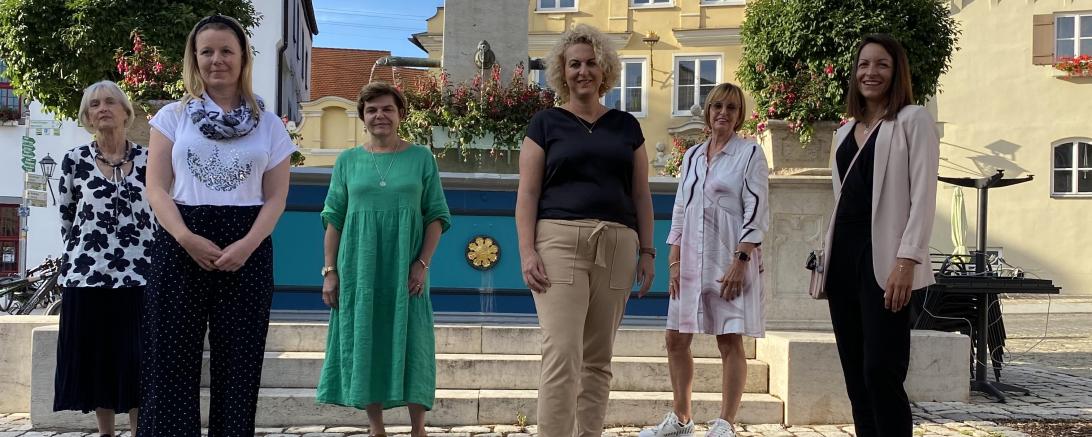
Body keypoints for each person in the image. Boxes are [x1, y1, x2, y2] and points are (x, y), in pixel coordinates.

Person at [140, 14, 296, 436]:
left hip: (248, 244)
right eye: (206, 51)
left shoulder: (269, 125)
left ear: (243, 56)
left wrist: (247, 245)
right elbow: (156, 188)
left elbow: (276, 197)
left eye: (226, 50)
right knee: (168, 360)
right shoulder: (173, 118)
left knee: (239, 364)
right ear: (194, 58)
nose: (217, 60)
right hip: (180, 238)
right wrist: (186, 237)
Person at [516, 23, 656, 437]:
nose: (583, 71)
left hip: (617, 244)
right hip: (558, 240)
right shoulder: (545, 124)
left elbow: (642, 194)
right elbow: (527, 193)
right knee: (561, 353)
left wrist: (647, 252)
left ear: (605, 69)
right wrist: (527, 251)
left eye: (591, 63)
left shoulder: (626, 126)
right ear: (562, 70)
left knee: (598, 359)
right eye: (574, 64)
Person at [819, 33, 940, 437]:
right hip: (843, 261)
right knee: (855, 377)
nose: (871, 72)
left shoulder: (912, 120)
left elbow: (923, 196)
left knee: (881, 372)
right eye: (864, 65)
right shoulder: (842, 131)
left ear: (896, 71)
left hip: (887, 258)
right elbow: (841, 200)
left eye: (881, 65)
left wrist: (907, 259)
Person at [316, 81, 451, 437]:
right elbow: (334, 219)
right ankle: (376, 428)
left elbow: (436, 216)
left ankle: (418, 428)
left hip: (407, 270)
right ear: (363, 117)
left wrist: (422, 264)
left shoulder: (421, 157)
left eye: (387, 109)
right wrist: (330, 271)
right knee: (366, 339)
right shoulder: (347, 161)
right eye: (372, 109)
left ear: (400, 114)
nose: (380, 115)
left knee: (414, 341)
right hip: (358, 269)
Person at [640, 83, 769, 437]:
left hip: (729, 257)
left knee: (729, 339)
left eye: (731, 107)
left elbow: (756, 211)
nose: (722, 113)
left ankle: (725, 422)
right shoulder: (694, 155)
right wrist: (674, 262)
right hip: (691, 260)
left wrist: (741, 260)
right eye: (716, 107)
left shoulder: (750, 154)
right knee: (675, 338)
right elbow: (681, 210)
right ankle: (682, 419)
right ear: (708, 112)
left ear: (739, 115)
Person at [54, 80, 153, 437]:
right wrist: (85, 255)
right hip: (88, 276)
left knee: (140, 359)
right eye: (94, 104)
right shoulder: (74, 161)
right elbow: (67, 217)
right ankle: (106, 433)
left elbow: (162, 211)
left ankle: (141, 431)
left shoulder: (150, 159)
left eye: (111, 102)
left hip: (141, 275)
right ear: (87, 116)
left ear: (126, 112)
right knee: (99, 359)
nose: (103, 108)